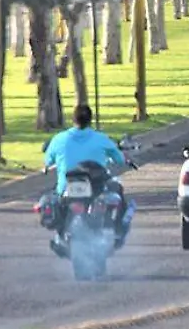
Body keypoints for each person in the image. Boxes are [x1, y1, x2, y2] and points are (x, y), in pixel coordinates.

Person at [43, 105, 131, 255]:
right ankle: (118, 230)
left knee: (57, 199)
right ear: (90, 120)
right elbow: (119, 158)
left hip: (66, 188)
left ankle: (61, 234)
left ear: (73, 119)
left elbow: (48, 160)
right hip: (96, 188)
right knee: (117, 191)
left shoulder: (59, 139)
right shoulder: (101, 139)